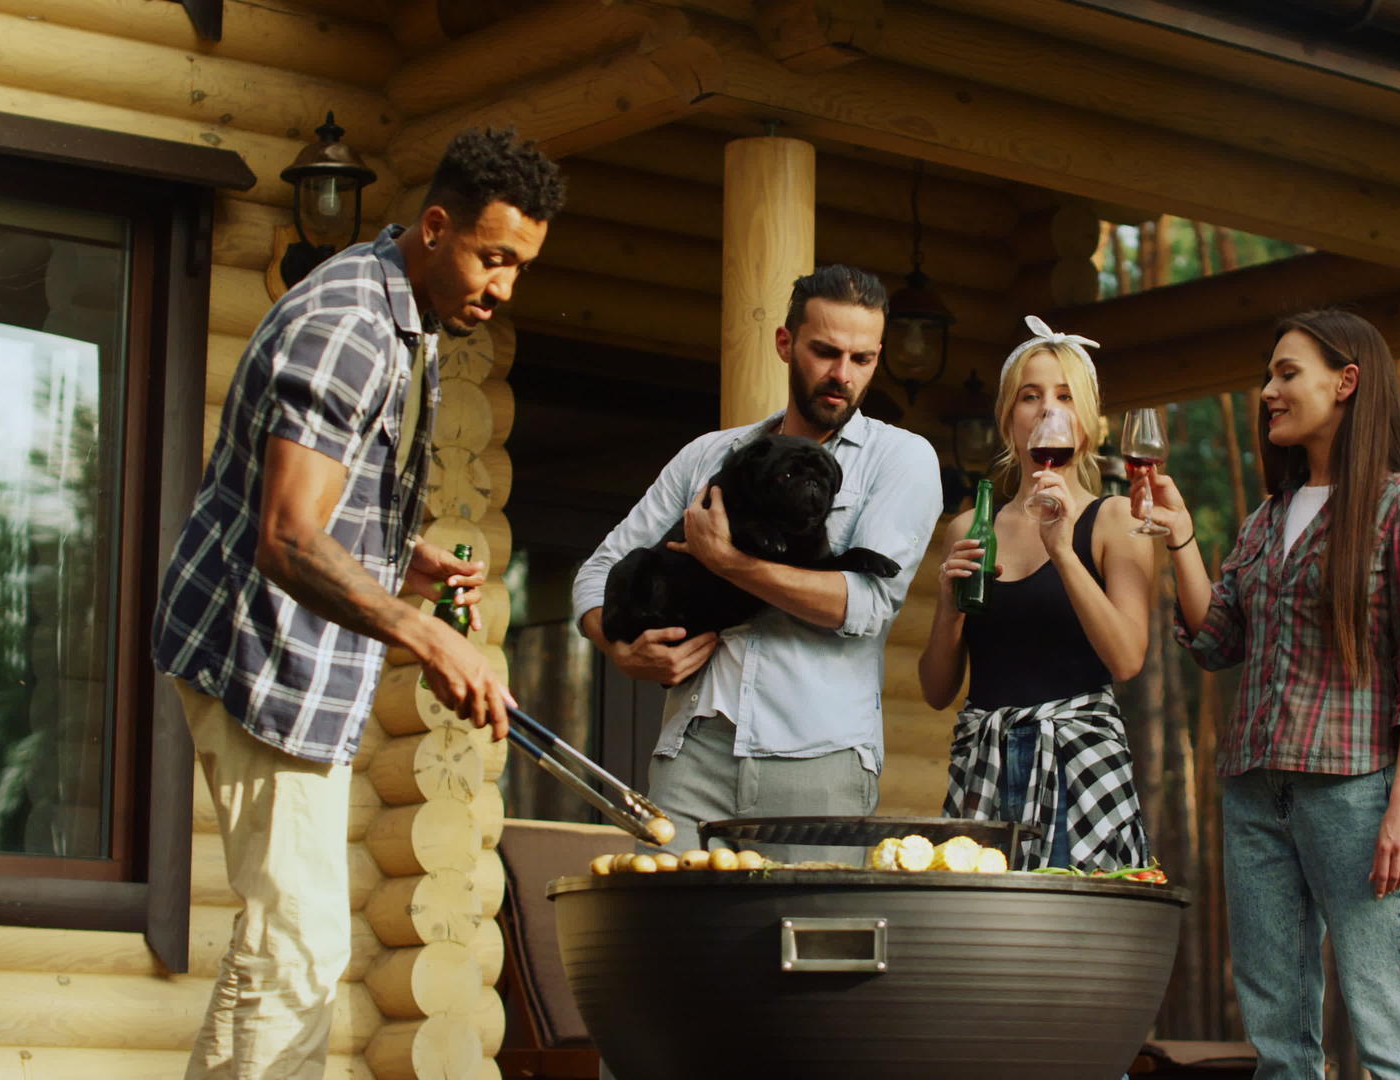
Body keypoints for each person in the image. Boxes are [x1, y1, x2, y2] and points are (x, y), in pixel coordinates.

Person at [151, 128, 564, 1079]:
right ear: (433, 227)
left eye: (520, 266)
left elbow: (317, 497)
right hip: (259, 660)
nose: (503, 287)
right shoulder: (351, 327)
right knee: (293, 957)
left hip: (290, 661)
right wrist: (426, 633)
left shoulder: (393, 304)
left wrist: (394, 553)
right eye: (492, 257)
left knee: (286, 949)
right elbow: (288, 536)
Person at [1135, 309, 1400, 1078]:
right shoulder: (1264, 519)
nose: (1267, 391)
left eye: (1286, 373)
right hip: (1253, 795)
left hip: (1356, 795)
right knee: (1276, 1034)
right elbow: (1216, 641)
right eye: (1267, 375)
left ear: (1346, 382)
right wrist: (1180, 539)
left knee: (1388, 1020)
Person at [572, 264, 943, 859]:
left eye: (863, 359)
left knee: (808, 951)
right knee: (675, 947)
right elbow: (598, 570)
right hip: (690, 756)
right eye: (825, 352)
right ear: (785, 343)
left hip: (818, 766)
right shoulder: (708, 456)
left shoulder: (901, 458)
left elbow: (865, 605)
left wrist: (729, 563)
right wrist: (619, 648)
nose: (841, 376)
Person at [917, 316, 1153, 871]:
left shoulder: (1115, 520)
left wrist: (1063, 550)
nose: (1048, 409)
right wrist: (951, 604)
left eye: (1065, 396)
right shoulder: (969, 528)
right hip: (985, 763)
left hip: (1080, 768)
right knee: (984, 945)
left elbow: (1127, 658)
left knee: (1072, 941)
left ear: (1087, 424)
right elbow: (934, 690)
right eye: (1030, 396)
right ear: (1008, 421)